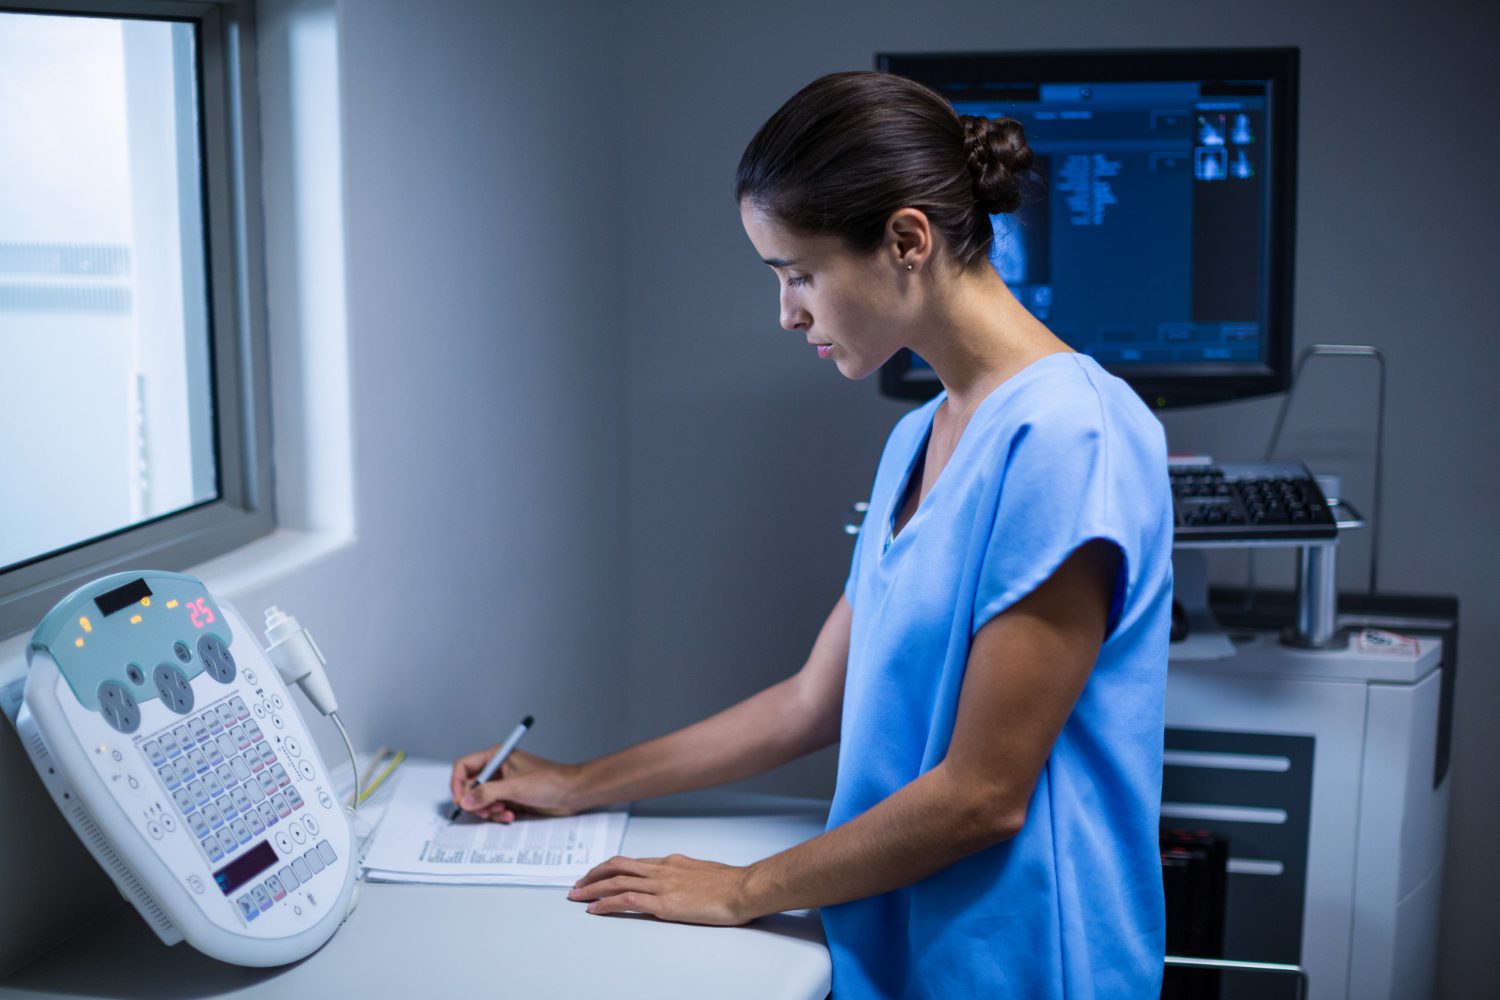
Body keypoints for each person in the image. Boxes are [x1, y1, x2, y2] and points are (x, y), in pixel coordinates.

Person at [451, 70, 1173, 999]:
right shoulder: (919, 435)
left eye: (799, 275)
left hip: (1025, 965)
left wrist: (745, 889)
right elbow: (812, 701)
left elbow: (984, 797)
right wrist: (579, 783)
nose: (788, 311)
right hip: (892, 944)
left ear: (907, 240)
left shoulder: (1072, 439)